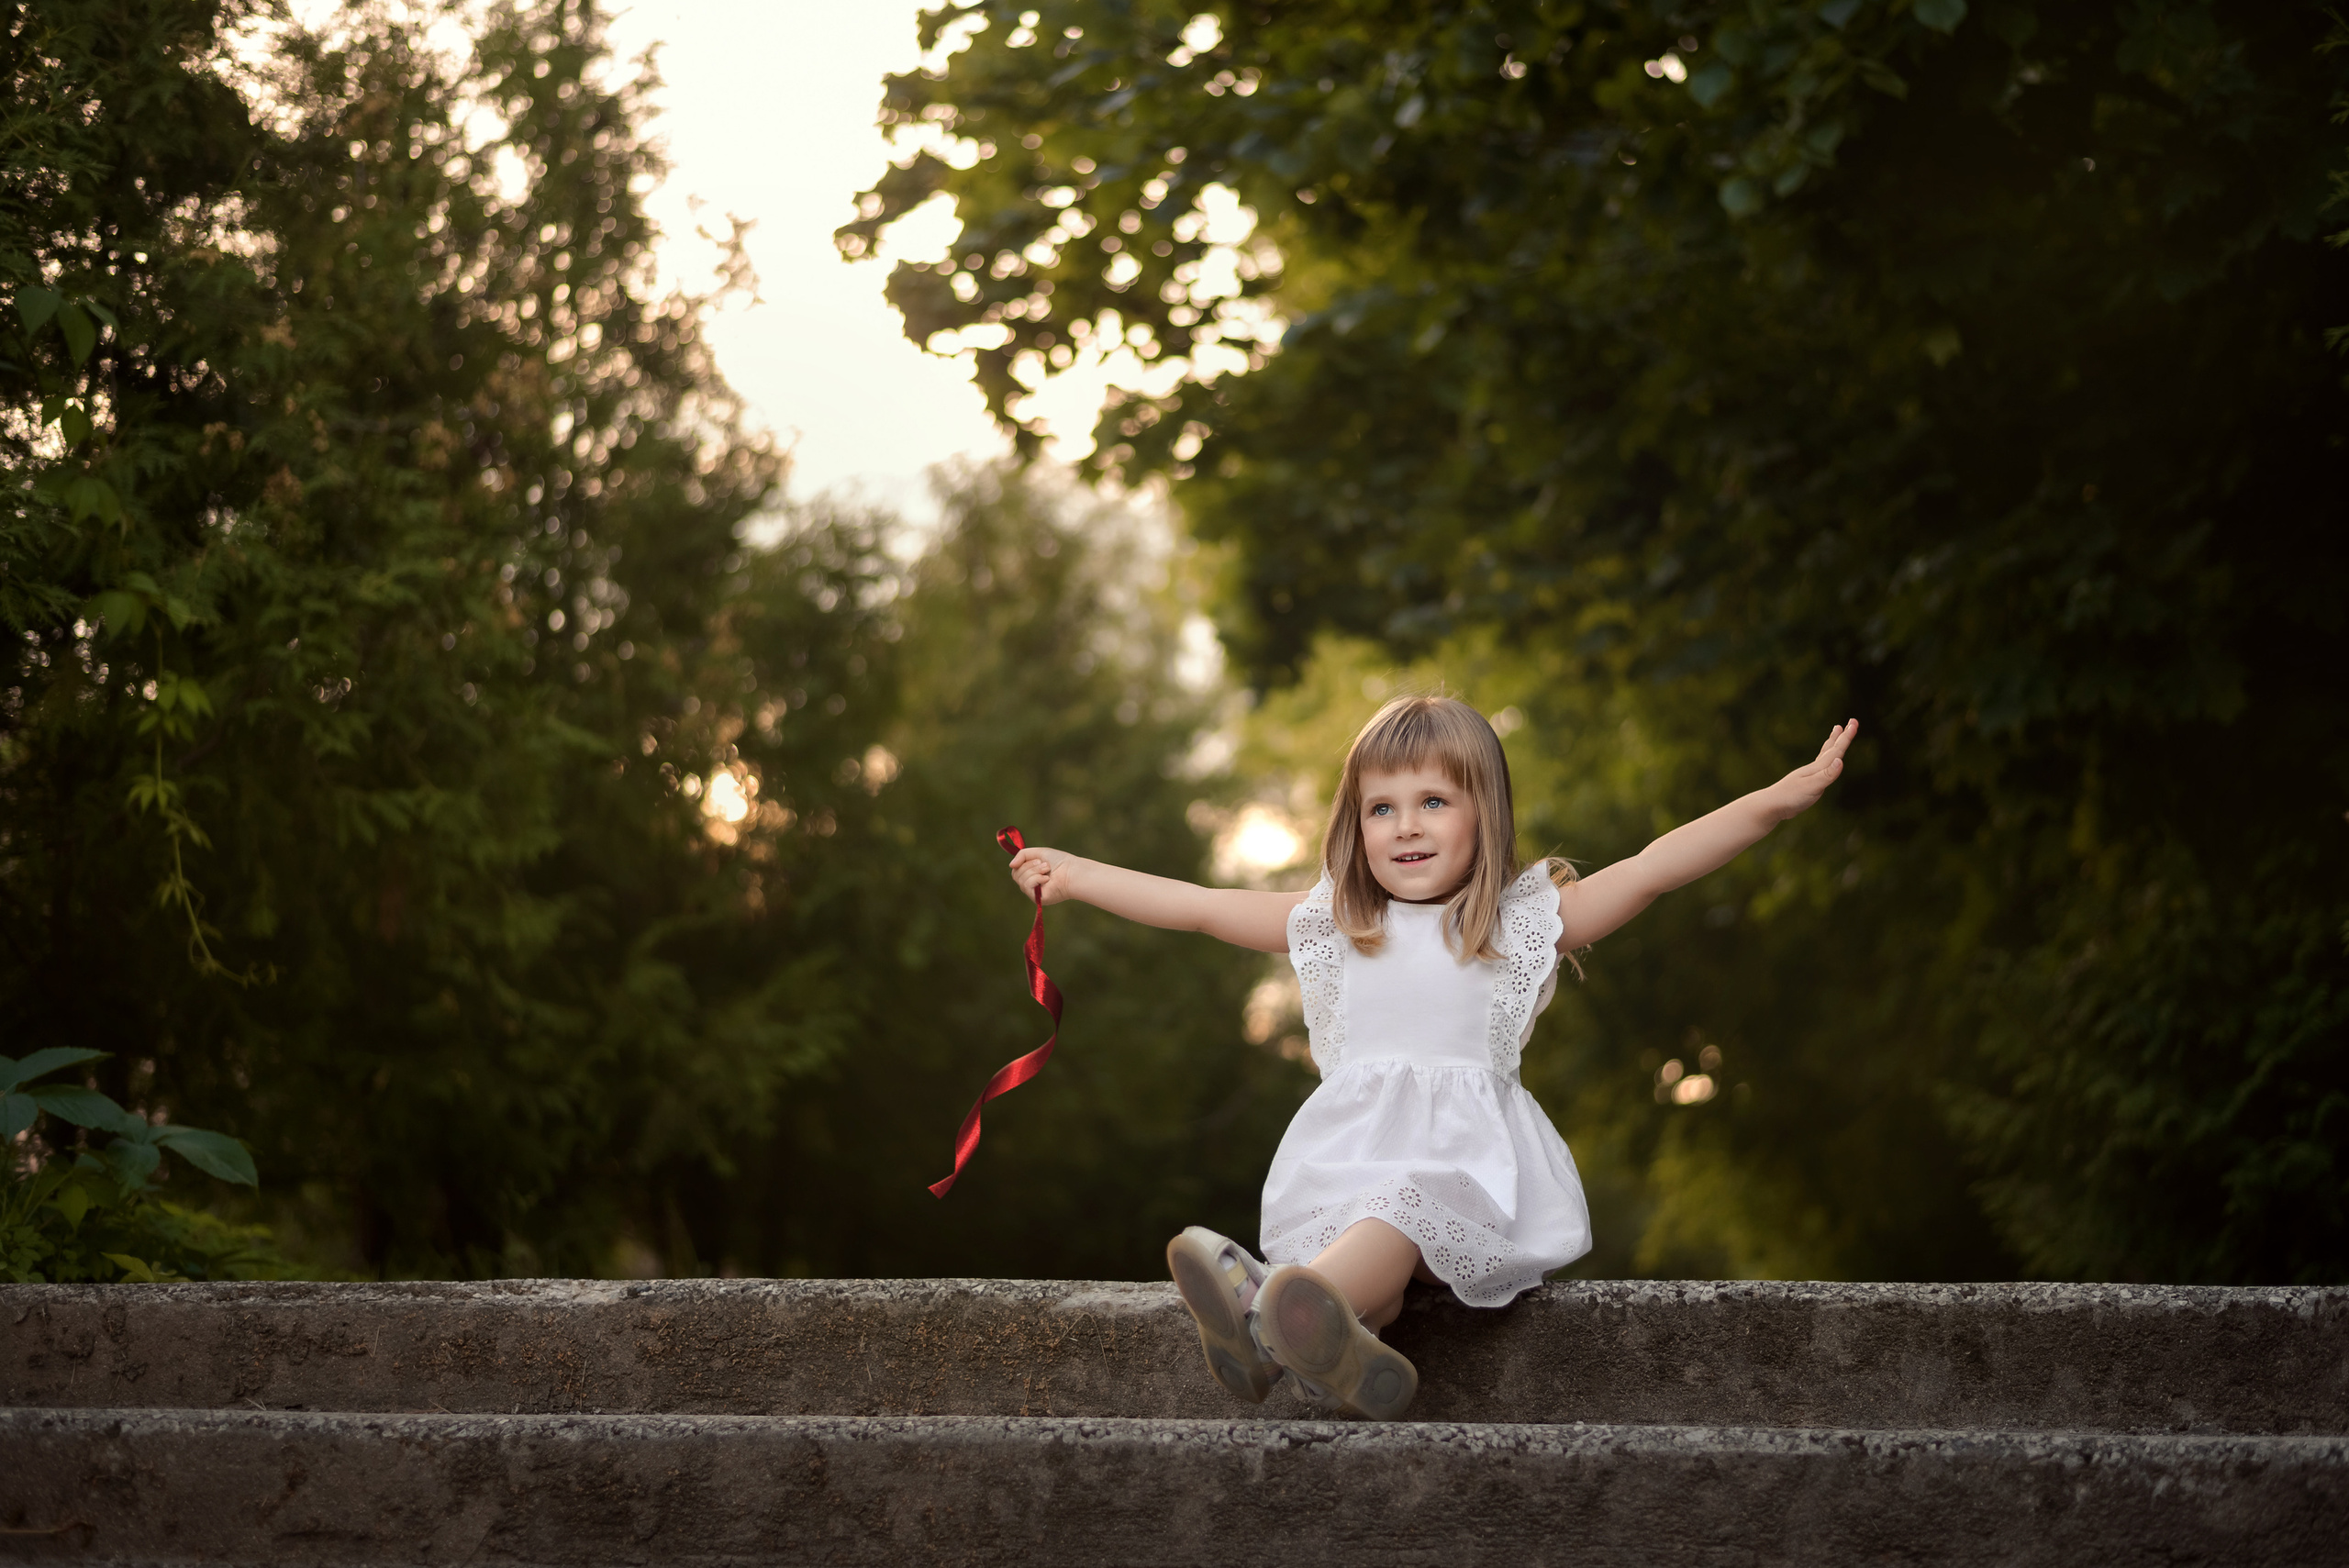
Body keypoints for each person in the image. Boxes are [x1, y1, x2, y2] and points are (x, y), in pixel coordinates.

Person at [1008, 694, 1857, 1418]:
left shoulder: (1513, 925)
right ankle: (1313, 1341)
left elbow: (1652, 868)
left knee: (1401, 1210)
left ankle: (1272, 1308)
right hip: (1347, 1158)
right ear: (1357, 824)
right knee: (1368, 1248)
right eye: (1382, 808)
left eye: (1433, 803)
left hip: (1466, 1172)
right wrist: (1080, 875)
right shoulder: (1337, 922)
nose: (1405, 825)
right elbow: (1198, 905)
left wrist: (1775, 801)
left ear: (1484, 813)